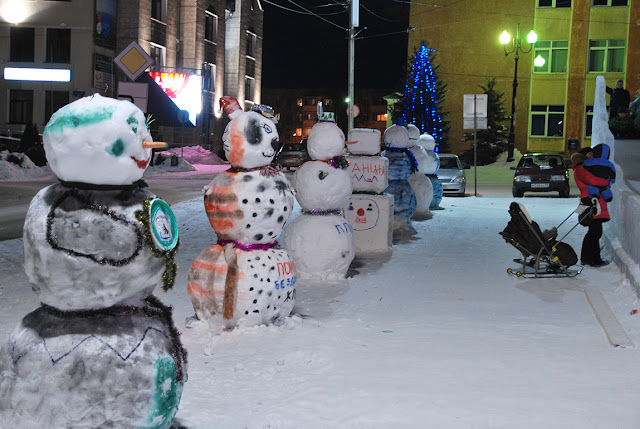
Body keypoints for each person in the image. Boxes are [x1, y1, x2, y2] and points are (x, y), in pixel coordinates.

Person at [571, 145, 613, 267]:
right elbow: (592, 180)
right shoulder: (580, 168)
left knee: (593, 232)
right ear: (584, 156)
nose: (593, 155)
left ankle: (587, 258)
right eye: (590, 153)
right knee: (595, 232)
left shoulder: (586, 167)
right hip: (591, 202)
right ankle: (594, 260)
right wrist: (606, 182)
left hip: (593, 201)